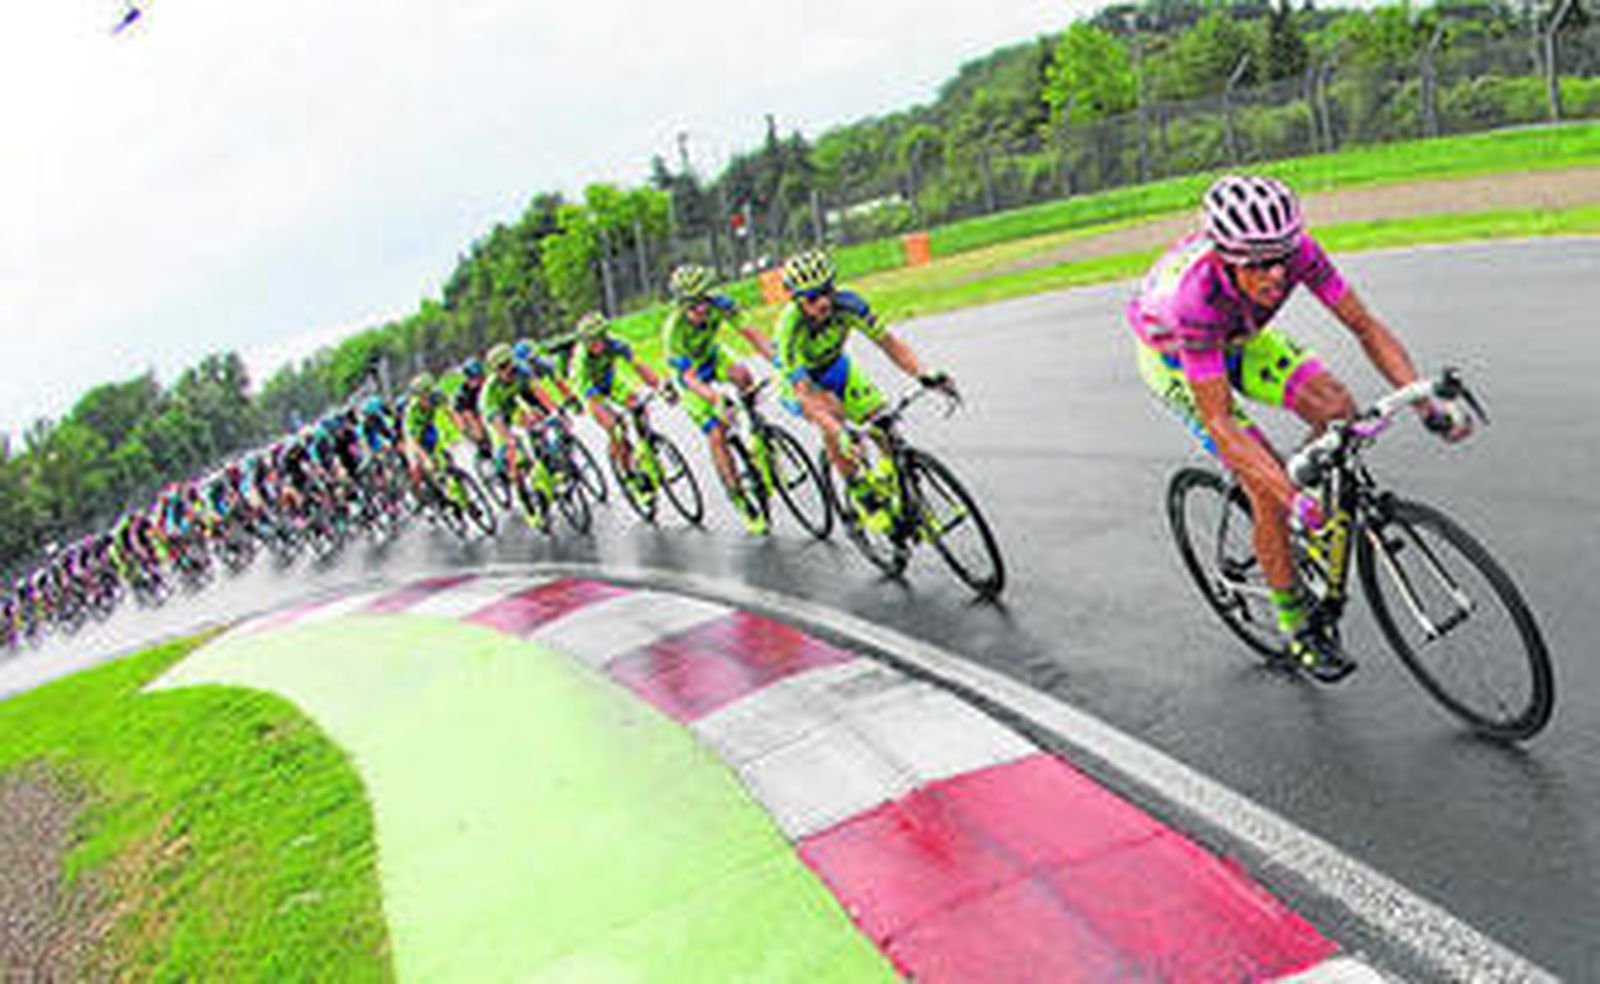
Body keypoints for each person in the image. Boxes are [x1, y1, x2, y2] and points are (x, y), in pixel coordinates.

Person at [1128, 174, 1471, 683]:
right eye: (1258, 263)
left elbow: (1364, 326)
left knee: (1338, 409)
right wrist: (1289, 497)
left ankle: (1293, 493)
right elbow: (1219, 421)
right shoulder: (1195, 300)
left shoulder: (1298, 252)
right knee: (1264, 491)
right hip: (1176, 358)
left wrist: (1423, 402)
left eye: (1281, 258)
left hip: (1240, 337)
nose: (1275, 274)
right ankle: (1295, 626)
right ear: (1226, 259)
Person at [772, 248, 955, 533]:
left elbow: (890, 344)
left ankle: (888, 478)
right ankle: (861, 494)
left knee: (884, 422)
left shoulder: (849, 305)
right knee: (833, 416)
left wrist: (924, 374)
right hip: (801, 384)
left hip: (837, 367)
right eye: (812, 298)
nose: (823, 302)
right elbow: (805, 396)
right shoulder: (789, 329)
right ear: (797, 300)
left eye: (827, 291)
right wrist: (839, 432)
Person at [661, 263, 776, 530]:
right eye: (693, 305)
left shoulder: (720, 304)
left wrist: (780, 363)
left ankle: (757, 432)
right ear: (681, 306)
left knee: (743, 375)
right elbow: (689, 378)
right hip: (689, 379)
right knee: (717, 432)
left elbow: (752, 334)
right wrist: (716, 399)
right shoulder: (673, 331)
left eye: (704, 300)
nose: (701, 309)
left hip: (712, 357)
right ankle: (737, 496)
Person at [569, 311, 665, 499]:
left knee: (637, 403)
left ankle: (646, 441)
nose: (597, 345)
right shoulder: (581, 360)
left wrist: (658, 385)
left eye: (600, 339)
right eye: (592, 342)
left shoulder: (614, 343)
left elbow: (638, 365)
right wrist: (608, 416)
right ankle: (629, 475)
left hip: (610, 381)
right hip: (589, 390)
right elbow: (591, 398)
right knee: (616, 428)